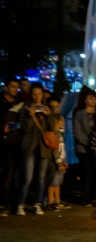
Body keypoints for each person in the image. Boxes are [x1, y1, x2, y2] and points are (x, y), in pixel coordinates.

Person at [17, 83, 50, 215]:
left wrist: (48, 115)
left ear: (42, 95)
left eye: (39, 94)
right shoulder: (25, 109)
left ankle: (38, 204)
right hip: (29, 147)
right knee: (27, 178)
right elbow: (24, 129)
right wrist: (30, 116)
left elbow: (51, 128)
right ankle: (20, 204)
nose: (37, 97)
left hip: (43, 147)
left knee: (41, 178)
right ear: (30, 95)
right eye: (34, 94)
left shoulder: (46, 109)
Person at [73, 90, 96, 205]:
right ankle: (85, 197)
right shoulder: (79, 114)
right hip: (83, 148)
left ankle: (95, 196)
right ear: (84, 100)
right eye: (90, 98)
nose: (93, 100)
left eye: (95, 98)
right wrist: (90, 143)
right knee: (87, 171)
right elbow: (77, 132)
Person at [1, 78, 22, 217]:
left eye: (17, 87)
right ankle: (4, 204)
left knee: (17, 175)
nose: (16, 89)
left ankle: (15, 203)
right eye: (13, 86)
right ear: (6, 88)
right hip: (4, 143)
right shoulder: (1, 103)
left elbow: (22, 123)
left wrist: (16, 126)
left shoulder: (20, 103)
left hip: (18, 143)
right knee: (7, 173)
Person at [44, 114, 68, 212]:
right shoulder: (54, 134)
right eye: (61, 121)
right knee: (52, 182)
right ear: (57, 122)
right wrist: (59, 163)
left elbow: (62, 149)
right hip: (54, 163)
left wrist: (64, 161)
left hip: (60, 162)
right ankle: (50, 202)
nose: (62, 123)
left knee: (58, 182)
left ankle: (57, 201)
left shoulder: (59, 133)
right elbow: (55, 150)